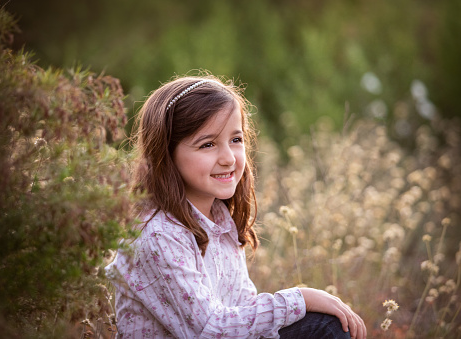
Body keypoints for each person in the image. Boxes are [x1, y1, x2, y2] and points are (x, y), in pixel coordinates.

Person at [105, 75, 367, 338]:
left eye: (236, 140)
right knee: (321, 325)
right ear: (166, 154)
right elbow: (210, 329)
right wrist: (300, 298)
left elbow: (242, 312)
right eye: (207, 144)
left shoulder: (218, 219)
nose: (228, 158)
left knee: (327, 324)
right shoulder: (159, 234)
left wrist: (305, 304)